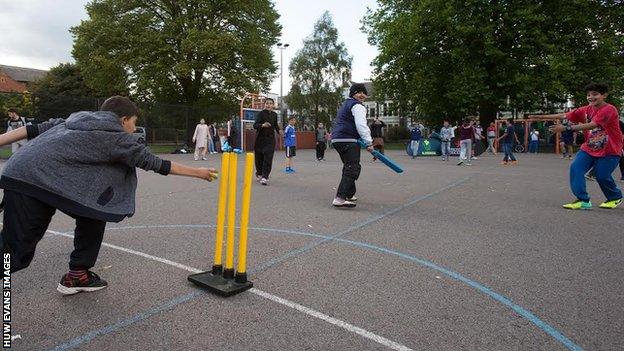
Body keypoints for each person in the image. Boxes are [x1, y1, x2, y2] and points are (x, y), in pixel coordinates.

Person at [0, 96, 218, 294]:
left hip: (34, 175)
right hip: (28, 181)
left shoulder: (77, 119)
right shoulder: (117, 138)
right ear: (123, 120)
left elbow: (33, 129)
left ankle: (78, 275)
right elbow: (156, 164)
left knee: (94, 214)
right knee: (16, 254)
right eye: (133, 122)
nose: (134, 128)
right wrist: (198, 172)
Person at [530, 83, 623, 209]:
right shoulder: (586, 109)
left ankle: (615, 197)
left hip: (610, 149)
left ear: (604, 95)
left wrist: (566, 128)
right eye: (588, 95)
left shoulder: (609, 109)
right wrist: (540, 116)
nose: (591, 97)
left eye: (595, 94)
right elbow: (564, 115)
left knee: (602, 176)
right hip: (589, 148)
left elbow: (593, 124)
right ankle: (583, 200)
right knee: (576, 168)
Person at [330, 83, 373, 208]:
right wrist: (368, 142)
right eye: (359, 92)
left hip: (337, 139)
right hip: (348, 139)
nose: (362, 95)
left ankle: (349, 194)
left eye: (364, 93)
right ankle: (340, 198)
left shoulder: (345, 104)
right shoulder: (357, 106)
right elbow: (361, 125)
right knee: (352, 168)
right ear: (353, 94)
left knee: (348, 165)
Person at [253, 98, 281, 186]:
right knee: (259, 158)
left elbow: (275, 125)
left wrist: (279, 131)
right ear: (264, 105)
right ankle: (259, 173)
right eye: (267, 103)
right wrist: (262, 125)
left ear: (273, 105)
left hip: (270, 140)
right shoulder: (261, 114)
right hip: (260, 139)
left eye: (270, 104)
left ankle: (265, 177)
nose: (269, 105)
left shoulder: (275, 115)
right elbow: (255, 125)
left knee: (268, 158)